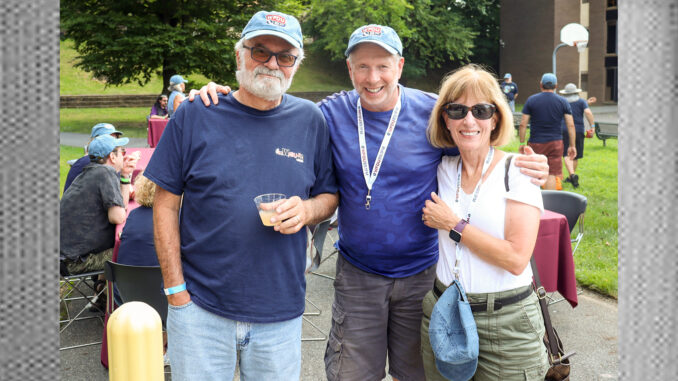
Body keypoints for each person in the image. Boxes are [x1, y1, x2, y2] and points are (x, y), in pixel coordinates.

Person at [191, 24, 549, 381]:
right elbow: (271, 106)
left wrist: (524, 162)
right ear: (350, 69)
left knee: (419, 374)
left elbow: (477, 141)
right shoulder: (329, 113)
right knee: (351, 375)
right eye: (362, 66)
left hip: (421, 277)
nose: (372, 77)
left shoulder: (433, 114)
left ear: (400, 67)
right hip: (358, 275)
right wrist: (222, 95)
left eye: (382, 66)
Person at [143, 10, 338, 380]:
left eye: (285, 56)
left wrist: (308, 209)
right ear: (239, 55)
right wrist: (175, 291)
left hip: (279, 313)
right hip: (199, 310)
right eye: (260, 51)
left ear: (296, 64)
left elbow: (329, 195)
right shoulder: (197, 114)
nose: (272, 64)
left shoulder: (310, 119)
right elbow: (165, 202)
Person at [421, 64, 548, 380]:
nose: (468, 120)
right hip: (442, 313)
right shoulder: (440, 168)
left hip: (506, 323)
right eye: (457, 110)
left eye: (480, 110)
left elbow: (516, 259)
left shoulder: (518, 171)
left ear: (495, 119)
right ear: (445, 119)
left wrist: (453, 224)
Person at [60, 134, 137, 275]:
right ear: (112, 157)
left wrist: (125, 175)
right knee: (134, 249)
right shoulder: (105, 173)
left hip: (66, 256)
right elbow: (118, 217)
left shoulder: (92, 171)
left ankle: (103, 290)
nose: (124, 156)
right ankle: (116, 295)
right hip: (75, 262)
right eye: (122, 152)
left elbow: (121, 205)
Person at [519, 73, 576, 190]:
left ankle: (533, 203)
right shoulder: (563, 101)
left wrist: (522, 142)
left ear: (541, 85)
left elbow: (523, 124)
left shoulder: (531, 100)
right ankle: (549, 205)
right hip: (555, 143)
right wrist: (572, 145)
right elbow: (570, 124)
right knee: (551, 174)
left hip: (536, 143)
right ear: (556, 86)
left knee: (533, 171)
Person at [63, 123, 124, 193]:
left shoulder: (110, 161)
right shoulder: (89, 163)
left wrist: (125, 177)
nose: (114, 143)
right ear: (95, 141)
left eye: (115, 138)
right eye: (108, 138)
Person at [559, 83, 595, 188]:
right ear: (576, 92)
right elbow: (588, 113)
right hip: (579, 130)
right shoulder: (581, 102)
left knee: (566, 153)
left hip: (564, 129)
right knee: (575, 155)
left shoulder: (562, 102)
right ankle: (572, 176)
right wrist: (592, 126)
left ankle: (572, 176)